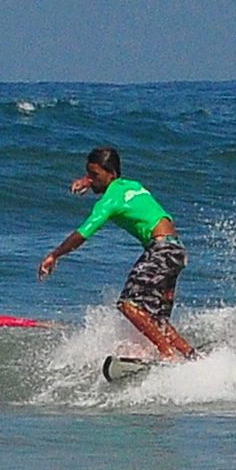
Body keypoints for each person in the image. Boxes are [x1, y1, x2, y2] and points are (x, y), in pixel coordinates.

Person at [37, 146, 196, 360]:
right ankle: (191, 355)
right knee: (156, 319)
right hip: (176, 250)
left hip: (161, 251)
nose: (91, 180)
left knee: (128, 305)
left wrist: (54, 255)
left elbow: (83, 233)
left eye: (94, 175)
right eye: (88, 173)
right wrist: (88, 180)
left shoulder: (110, 201)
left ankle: (168, 354)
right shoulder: (131, 185)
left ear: (111, 174)